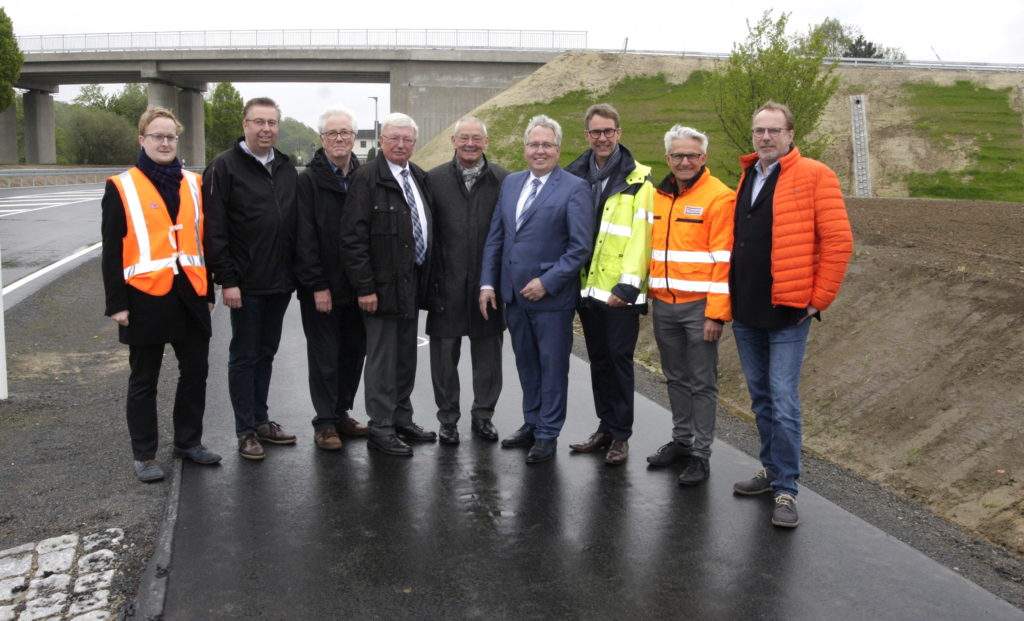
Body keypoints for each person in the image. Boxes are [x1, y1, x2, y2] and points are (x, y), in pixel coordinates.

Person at [730, 101, 853, 528]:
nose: (765, 138)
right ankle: (771, 470)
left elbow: (838, 242)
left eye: (774, 131)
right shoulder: (750, 174)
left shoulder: (816, 175)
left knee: (783, 402)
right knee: (761, 399)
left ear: (790, 133)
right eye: (759, 131)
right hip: (747, 310)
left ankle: (786, 489)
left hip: (788, 312)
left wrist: (818, 300)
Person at [101, 106, 221, 482]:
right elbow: (112, 249)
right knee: (144, 380)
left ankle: (188, 442)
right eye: (158, 136)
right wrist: (116, 304)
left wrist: (210, 285)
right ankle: (145, 455)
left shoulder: (193, 183)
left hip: (190, 294)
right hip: (144, 297)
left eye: (171, 136)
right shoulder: (122, 186)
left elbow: (205, 239)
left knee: (196, 372)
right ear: (142, 139)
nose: (165, 142)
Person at [479, 115, 593, 464]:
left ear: (558, 149)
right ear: (524, 148)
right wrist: (487, 282)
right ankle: (531, 421)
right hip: (513, 296)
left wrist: (547, 281)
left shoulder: (575, 188)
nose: (539, 150)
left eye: (546, 144)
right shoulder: (511, 183)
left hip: (551, 298)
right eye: (533, 144)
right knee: (527, 364)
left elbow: (579, 247)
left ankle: (547, 433)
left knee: (552, 366)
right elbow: (496, 237)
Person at [204, 97, 299, 461]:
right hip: (243, 284)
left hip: (279, 282)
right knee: (243, 356)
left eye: (272, 122)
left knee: (266, 353)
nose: (266, 129)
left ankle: (261, 420)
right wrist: (226, 279)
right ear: (245, 124)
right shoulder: (224, 168)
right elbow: (215, 230)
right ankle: (245, 431)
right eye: (258, 122)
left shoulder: (286, 168)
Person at [340, 112, 438, 457]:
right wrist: (365, 287)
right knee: (381, 360)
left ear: (414, 142)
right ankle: (380, 426)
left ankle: (401, 417)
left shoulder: (419, 178)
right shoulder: (367, 179)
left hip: (410, 284)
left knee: (405, 358)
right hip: (379, 288)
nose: (400, 145)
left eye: (407, 139)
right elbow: (352, 239)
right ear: (382, 141)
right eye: (394, 138)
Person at [645, 125, 735, 486]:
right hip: (663, 305)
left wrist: (716, 313)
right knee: (675, 377)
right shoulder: (657, 196)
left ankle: (701, 453)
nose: (684, 162)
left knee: (702, 381)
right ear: (667, 158)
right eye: (678, 156)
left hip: (700, 308)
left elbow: (724, 261)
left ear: (704, 158)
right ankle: (682, 440)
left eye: (692, 156)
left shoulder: (719, 198)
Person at [564, 103, 654, 466]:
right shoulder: (574, 175)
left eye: (608, 132)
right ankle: (604, 427)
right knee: (598, 360)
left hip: (619, 293)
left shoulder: (639, 179)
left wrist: (628, 288)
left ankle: (621, 435)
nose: (602, 138)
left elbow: (641, 237)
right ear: (587, 135)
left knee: (619, 361)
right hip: (586, 290)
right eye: (595, 132)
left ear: (619, 133)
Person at [426, 116, 509, 445]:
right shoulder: (433, 180)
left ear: (486, 142)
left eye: (477, 138)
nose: (470, 144)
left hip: (488, 285)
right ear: (453, 141)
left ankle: (483, 416)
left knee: (489, 356)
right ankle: (448, 419)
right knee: (443, 358)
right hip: (445, 284)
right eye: (464, 138)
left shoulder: (504, 180)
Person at [294, 106, 370, 451]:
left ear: (354, 138)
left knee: (353, 352)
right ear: (322, 139)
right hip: (323, 288)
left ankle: (341, 412)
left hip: (357, 286)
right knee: (325, 356)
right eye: (332, 134)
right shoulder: (308, 180)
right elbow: (304, 237)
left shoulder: (363, 175)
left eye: (346, 133)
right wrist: (317, 286)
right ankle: (324, 422)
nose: (340, 139)